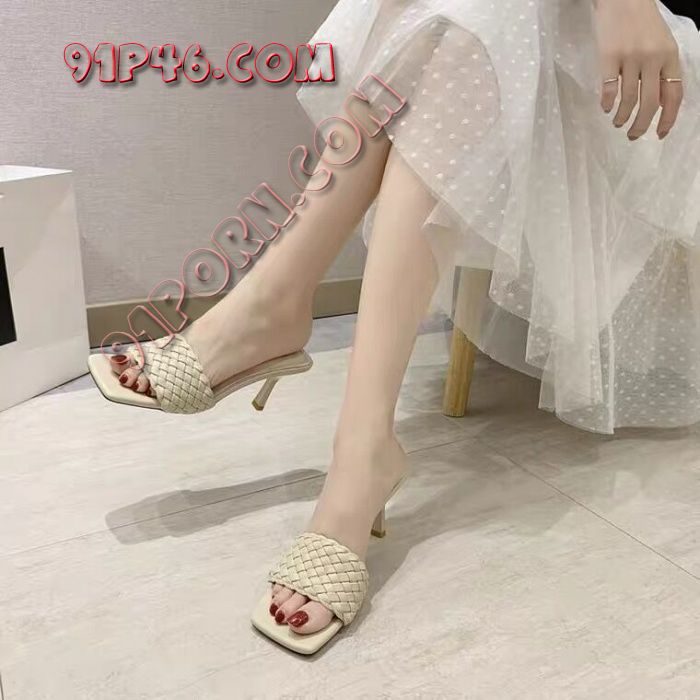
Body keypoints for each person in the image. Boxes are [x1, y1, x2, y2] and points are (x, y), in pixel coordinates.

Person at [89, 0, 700, 653]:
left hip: (648, 57)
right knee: (464, 21)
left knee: (468, 23)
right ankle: (352, 434)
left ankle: (276, 313)